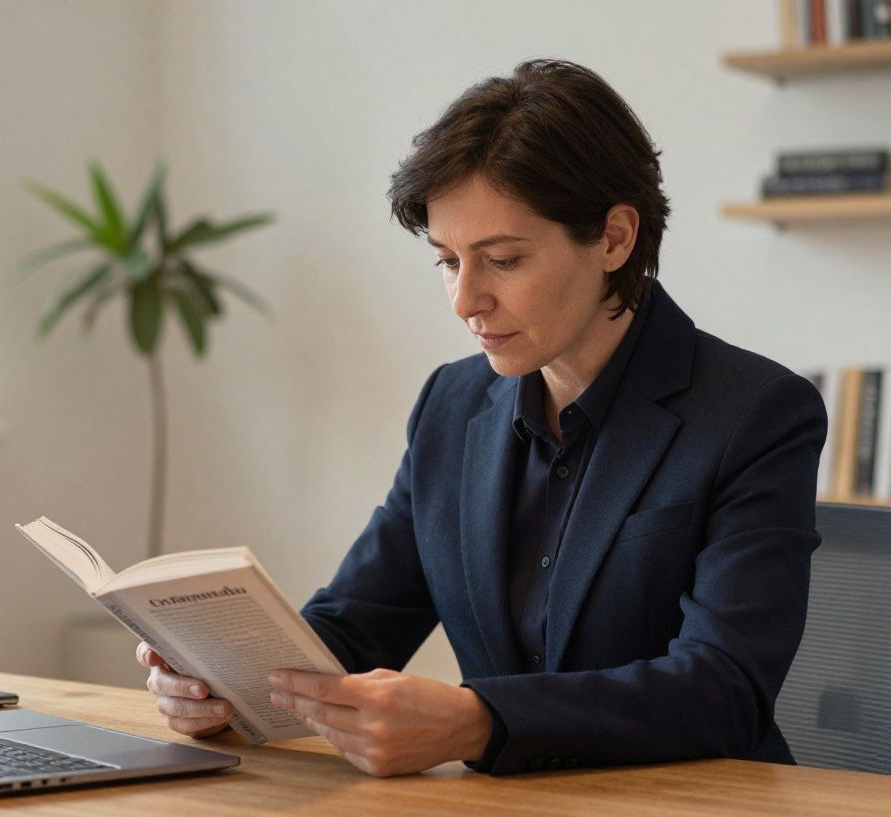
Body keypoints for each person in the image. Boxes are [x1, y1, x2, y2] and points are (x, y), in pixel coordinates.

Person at [136, 59, 826, 776]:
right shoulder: (453, 404)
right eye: (447, 261)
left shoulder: (756, 413)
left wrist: (480, 723)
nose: (466, 300)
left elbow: (725, 690)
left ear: (615, 239)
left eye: (501, 260)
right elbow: (358, 624)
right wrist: (226, 685)